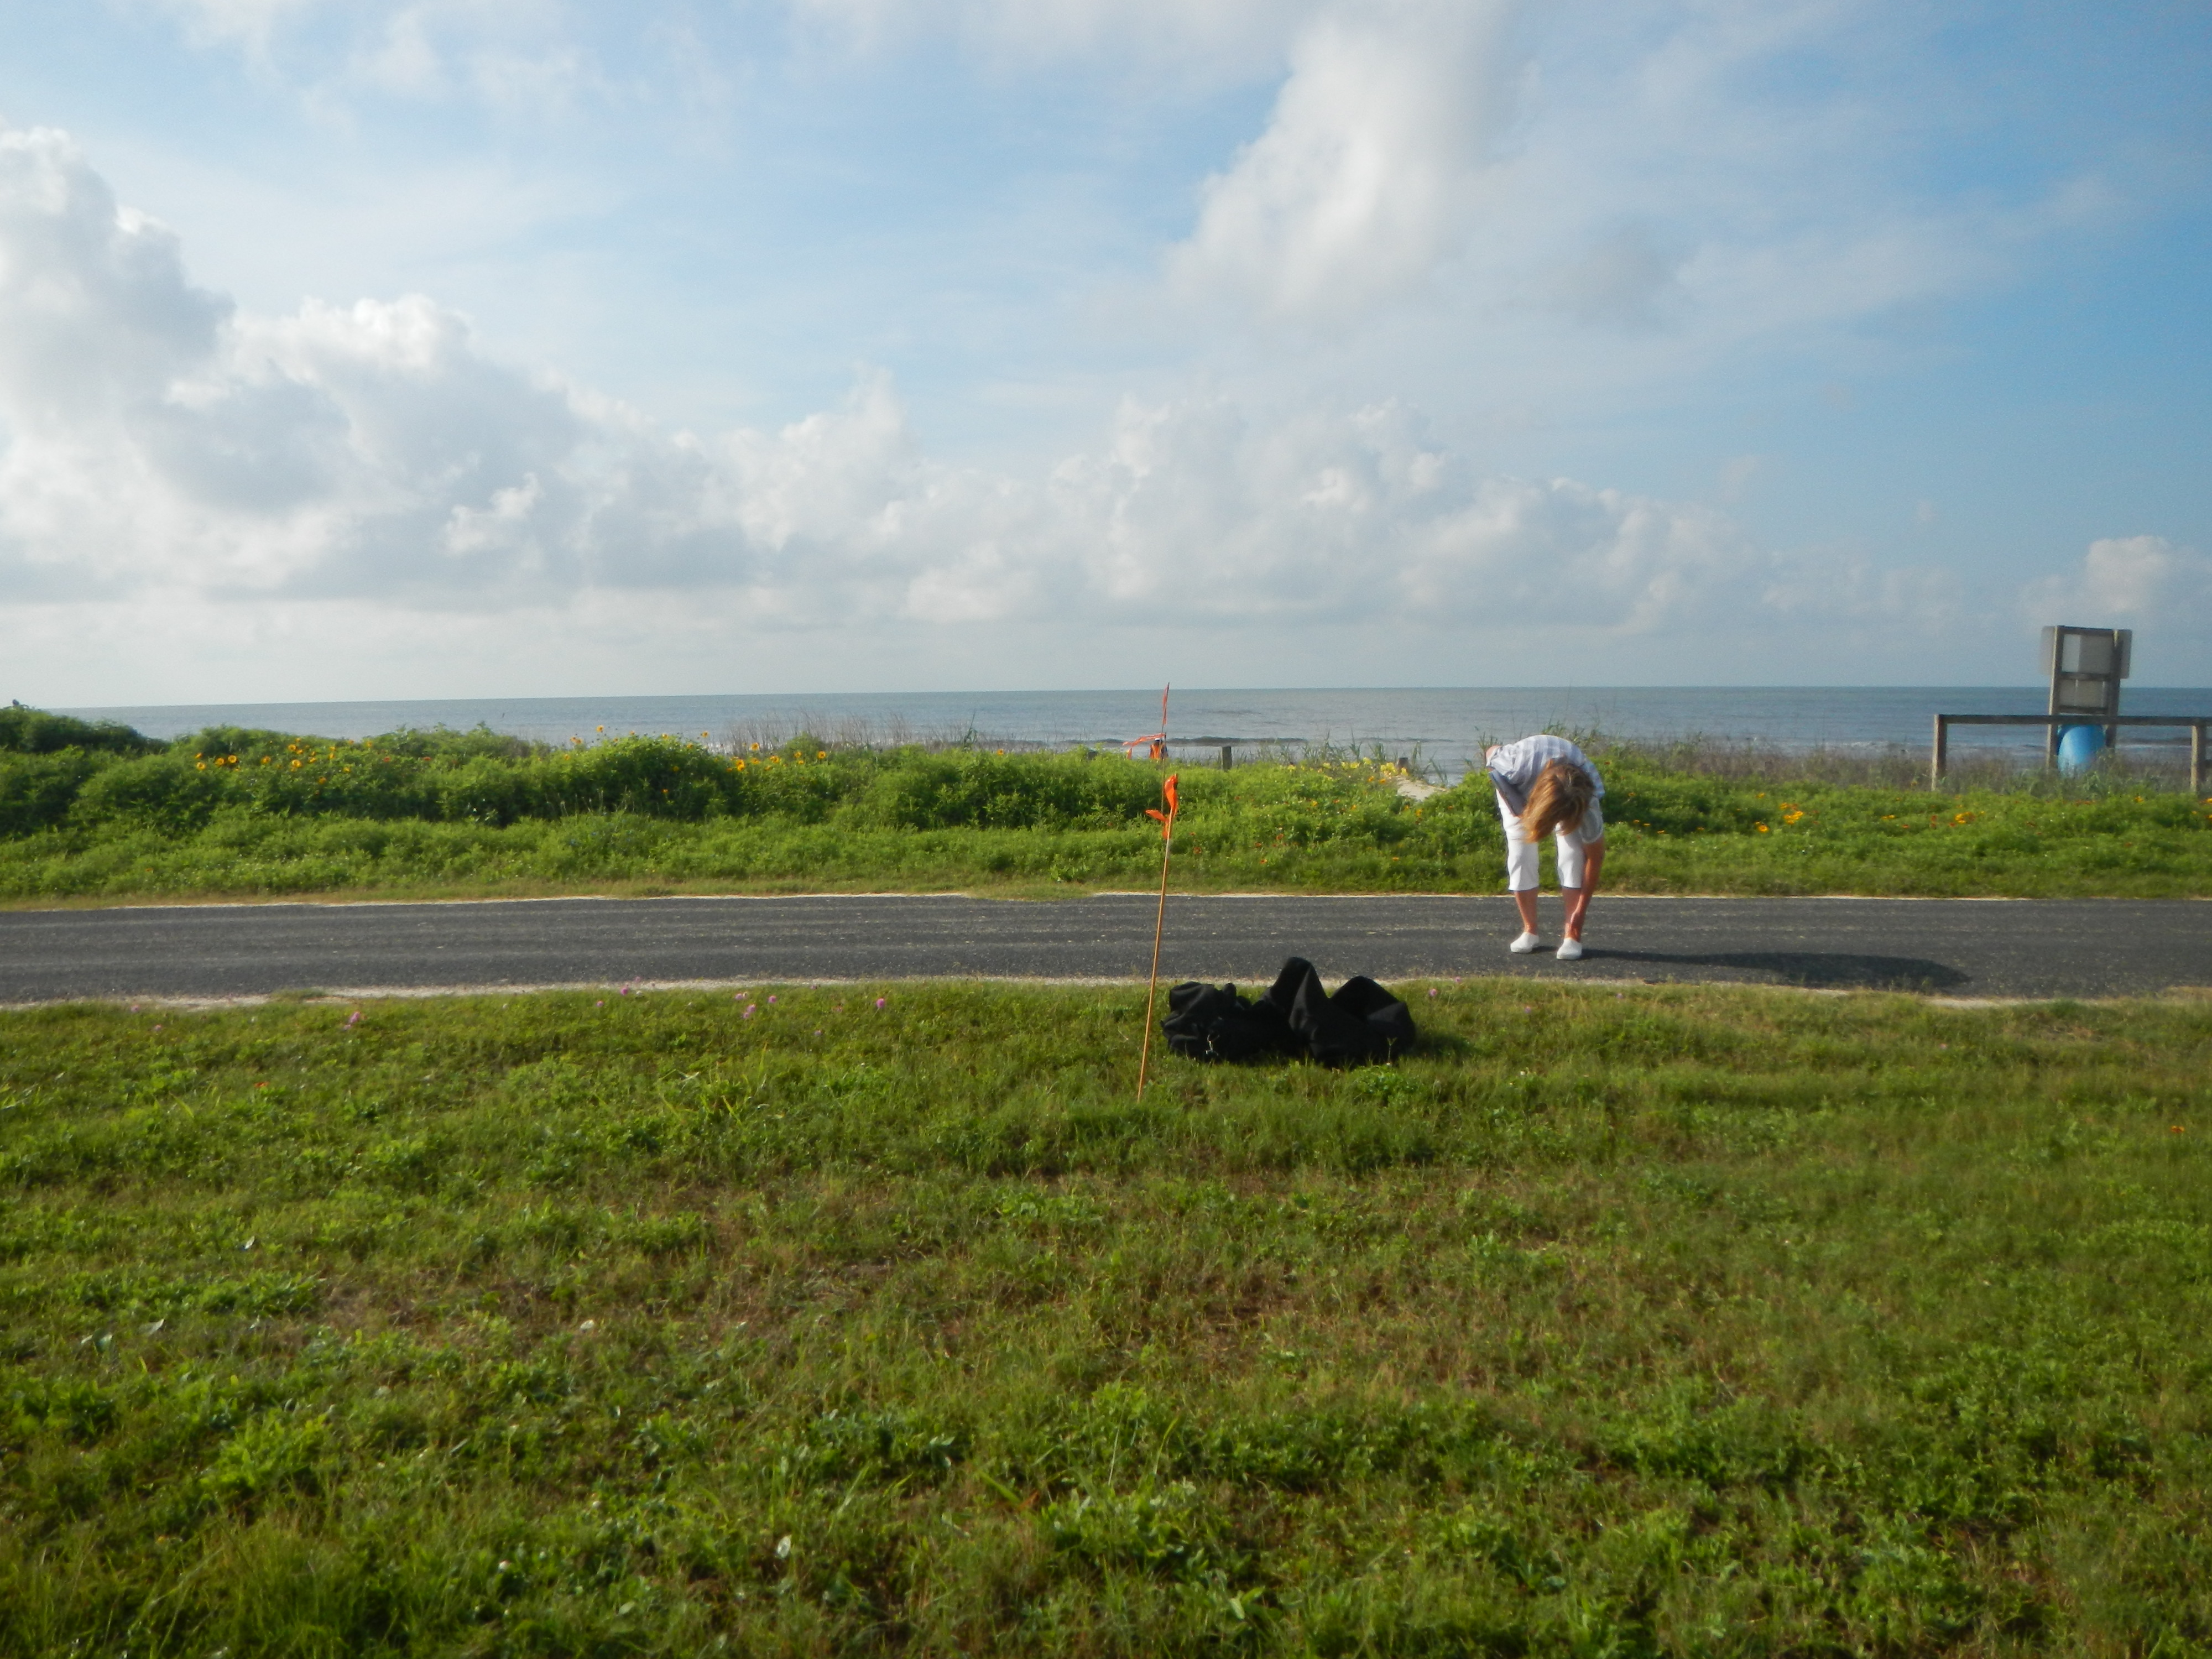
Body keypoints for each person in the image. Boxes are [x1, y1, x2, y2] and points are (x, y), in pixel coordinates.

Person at [1483, 734, 1605, 961]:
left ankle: (1572, 934)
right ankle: (1530, 931)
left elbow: (1595, 859)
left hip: (1569, 789)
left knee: (1573, 855)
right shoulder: (1515, 766)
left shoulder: (1588, 801)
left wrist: (1580, 914)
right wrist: (1513, 797)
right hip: (1520, 785)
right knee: (1520, 853)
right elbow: (1491, 751)